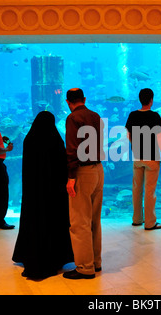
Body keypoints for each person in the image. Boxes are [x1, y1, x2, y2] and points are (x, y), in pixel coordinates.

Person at [12, 111, 74, 279]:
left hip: (33, 192)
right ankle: (57, 257)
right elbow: (62, 165)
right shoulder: (55, 139)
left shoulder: (29, 139)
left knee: (33, 222)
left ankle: (30, 255)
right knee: (54, 222)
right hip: (54, 193)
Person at [63, 88, 104, 280]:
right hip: (98, 170)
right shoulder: (96, 116)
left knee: (79, 221)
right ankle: (96, 262)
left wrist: (71, 177)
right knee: (95, 219)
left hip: (82, 172)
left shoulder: (73, 119)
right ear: (84, 99)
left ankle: (85, 267)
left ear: (67, 102)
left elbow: (72, 149)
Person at [125, 88, 161, 230]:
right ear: (151, 100)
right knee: (149, 191)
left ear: (140, 99)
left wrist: (135, 146)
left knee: (136, 188)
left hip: (137, 157)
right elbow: (160, 138)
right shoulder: (155, 116)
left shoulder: (132, 115)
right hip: (152, 158)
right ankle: (149, 223)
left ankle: (137, 219)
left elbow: (129, 135)